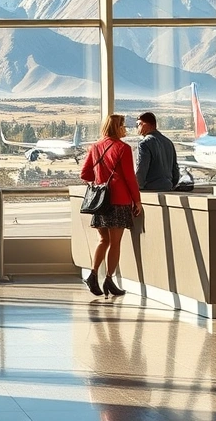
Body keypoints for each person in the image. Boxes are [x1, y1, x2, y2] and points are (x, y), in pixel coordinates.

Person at [79, 114, 142, 298]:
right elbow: (130, 177)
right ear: (117, 127)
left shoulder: (96, 147)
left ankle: (92, 274)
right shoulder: (123, 148)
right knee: (115, 243)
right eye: (123, 126)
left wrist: (100, 181)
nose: (126, 129)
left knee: (103, 240)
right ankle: (108, 279)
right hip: (119, 200)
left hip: (100, 203)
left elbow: (85, 174)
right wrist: (137, 200)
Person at [134, 112, 180, 191]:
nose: (137, 128)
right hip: (167, 188)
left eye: (138, 124)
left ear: (145, 124)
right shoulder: (168, 142)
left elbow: (142, 168)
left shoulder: (144, 143)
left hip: (150, 189)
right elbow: (175, 169)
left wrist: (136, 188)